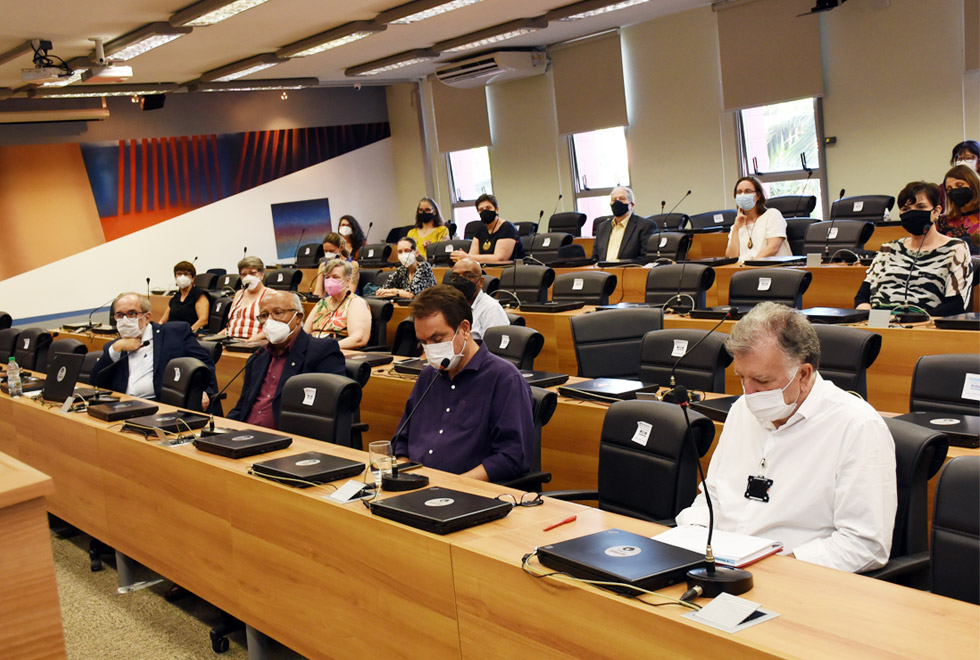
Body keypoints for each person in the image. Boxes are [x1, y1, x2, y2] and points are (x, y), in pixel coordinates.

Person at [675, 302, 896, 573]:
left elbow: (865, 544)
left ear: (803, 374)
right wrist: (692, 534)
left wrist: (779, 569)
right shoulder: (741, 410)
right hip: (718, 566)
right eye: (741, 378)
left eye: (762, 380)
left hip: (796, 580)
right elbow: (715, 496)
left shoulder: (857, 427)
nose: (750, 393)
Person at [392, 286, 532, 481]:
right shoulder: (428, 375)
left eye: (437, 339)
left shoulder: (504, 379)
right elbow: (402, 441)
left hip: (468, 494)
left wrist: (455, 484)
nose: (430, 349)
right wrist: (405, 476)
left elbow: (512, 456)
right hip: (416, 484)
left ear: (464, 329)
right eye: (424, 342)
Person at [227, 290, 345, 429]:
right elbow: (242, 406)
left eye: (278, 313)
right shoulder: (258, 357)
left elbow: (331, 407)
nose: (270, 321)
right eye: (264, 315)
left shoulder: (321, 351)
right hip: (245, 435)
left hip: (288, 439)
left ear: (298, 317)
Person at [855, 181, 972, 316]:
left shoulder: (955, 249)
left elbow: (955, 305)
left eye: (920, 207)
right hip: (878, 323)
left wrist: (913, 321)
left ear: (936, 211)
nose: (912, 213)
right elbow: (862, 296)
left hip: (924, 327)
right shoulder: (888, 248)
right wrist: (867, 314)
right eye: (906, 209)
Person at [91, 292, 216, 409]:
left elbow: (205, 363)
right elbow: (95, 382)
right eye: (119, 315)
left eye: (132, 313)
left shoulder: (175, 333)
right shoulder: (115, 346)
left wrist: (204, 391)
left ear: (147, 317)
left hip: (161, 407)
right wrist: (116, 349)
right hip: (123, 407)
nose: (125, 319)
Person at [303, 258, 371, 348]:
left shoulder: (356, 303)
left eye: (335, 277)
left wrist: (327, 348)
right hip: (313, 349)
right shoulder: (322, 303)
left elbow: (359, 339)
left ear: (348, 281)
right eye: (327, 277)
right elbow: (304, 334)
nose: (330, 281)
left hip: (336, 351)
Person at [725, 176, 792, 262]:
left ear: (758, 196)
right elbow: (731, 257)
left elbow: (773, 248)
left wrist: (751, 265)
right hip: (744, 271)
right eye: (739, 192)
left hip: (772, 270)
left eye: (747, 191)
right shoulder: (736, 225)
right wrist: (736, 229)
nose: (742, 195)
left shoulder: (772, 215)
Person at [451, 194, 524, 264]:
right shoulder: (481, 229)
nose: (484, 211)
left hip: (508, 271)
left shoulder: (507, 228)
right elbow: (472, 255)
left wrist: (467, 257)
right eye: (481, 209)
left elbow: (499, 258)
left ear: (497, 210)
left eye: (488, 208)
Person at [449, 258, 509, 341]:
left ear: (481, 282)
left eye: (468, 276)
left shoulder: (492, 309)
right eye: (455, 276)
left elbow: (495, 347)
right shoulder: (449, 305)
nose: (460, 280)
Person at [592, 186, 653, 262]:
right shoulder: (602, 228)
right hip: (603, 272)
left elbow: (646, 258)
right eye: (614, 200)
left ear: (632, 205)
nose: (617, 202)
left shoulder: (645, 226)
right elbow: (595, 258)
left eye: (622, 199)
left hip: (629, 271)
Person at [219, 256, 268, 340]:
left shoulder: (270, 295)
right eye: (244, 274)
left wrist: (247, 342)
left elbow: (271, 329)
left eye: (252, 273)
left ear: (262, 275)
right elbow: (231, 324)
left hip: (254, 344)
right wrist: (214, 338)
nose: (248, 277)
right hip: (231, 342)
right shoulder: (239, 294)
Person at [936, 164, 980, 254]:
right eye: (949, 189)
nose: (955, 191)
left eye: (959, 185)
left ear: (973, 185)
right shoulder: (943, 222)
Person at [159, 260, 209, 332]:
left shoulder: (199, 295)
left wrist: (188, 332)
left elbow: (203, 320)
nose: (182, 277)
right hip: (173, 333)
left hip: (190, 334)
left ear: (193, 278)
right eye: (179, 274)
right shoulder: (175, 298)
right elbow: (162, 321)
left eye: (186, 274)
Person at [313, 232, 359, 296]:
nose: (328, 254)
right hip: (329, 300)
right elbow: (318, 292)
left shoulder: (353, 265)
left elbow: (350, 292)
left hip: (347, 301)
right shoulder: (323, 266)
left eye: (331, 251)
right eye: (325, 251)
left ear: (341, 248)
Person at [407, 197, 450, 261]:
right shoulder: (412, 233)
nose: (424, 213)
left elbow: (442, 252)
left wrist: (430, 247)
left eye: (427, 210)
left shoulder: (442, 230)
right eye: (421, 210)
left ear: (435, 212)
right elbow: (407, 252)